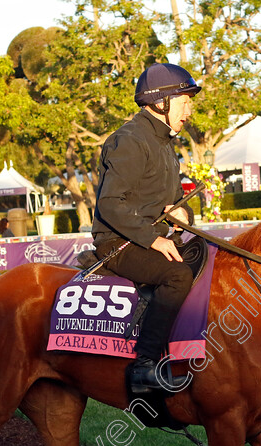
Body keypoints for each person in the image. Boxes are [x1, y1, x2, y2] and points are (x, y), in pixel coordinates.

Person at [92, 62, 201, 394]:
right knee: (177, 275)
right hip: (115, 242)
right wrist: (153, 239)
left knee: (206, 255)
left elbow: (171, 204)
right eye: (184, 101)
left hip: (149, 237)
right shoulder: (128, 140)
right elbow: (110, 204)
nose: (190, 109)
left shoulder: (167, 144)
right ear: (161, 102)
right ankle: (145, 366)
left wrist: (183, 215)